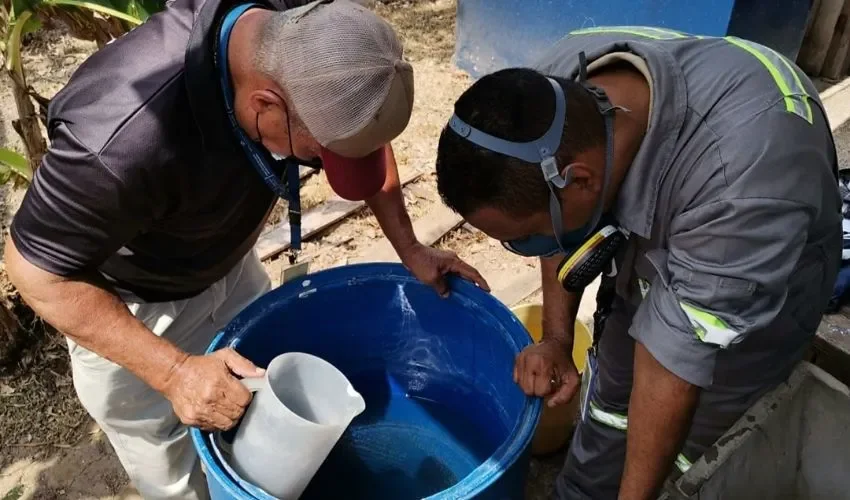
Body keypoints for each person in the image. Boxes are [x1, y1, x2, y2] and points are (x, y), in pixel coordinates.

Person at [4, 0, 487, 498]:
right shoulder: (119, 145)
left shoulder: (304, 40)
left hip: (225, 262)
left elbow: (355, 121)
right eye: (318, 154)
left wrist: (410, 247)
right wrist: (173, 372)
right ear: (264, 105)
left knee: (264, 420)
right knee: (179, 473)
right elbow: (35, 272)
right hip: (132, 309)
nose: (321, 164)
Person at [435, 26, 841, 500]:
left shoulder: (744, 177)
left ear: (579, 180)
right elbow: (557, 228)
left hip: (746, 304)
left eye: (523, 238)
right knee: (610, 402)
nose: (527, 251)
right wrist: (557, 339)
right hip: (651, 248)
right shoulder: (552, 95)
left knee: (698, 449)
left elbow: (675, 365)